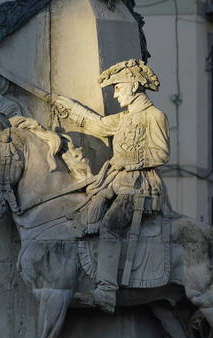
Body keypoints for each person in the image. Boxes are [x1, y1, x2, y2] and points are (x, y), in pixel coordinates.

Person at [54, 59, 170, 313]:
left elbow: (161, 154)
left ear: (133, 85)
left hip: (138, 188)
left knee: (110, 227)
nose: (115, 94)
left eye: (118, 88)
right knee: (83, 215)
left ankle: (106, 291)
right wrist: (69, 107)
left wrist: (128, 159)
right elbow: (97, 124)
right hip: (113, 182)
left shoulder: (154, 116)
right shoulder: (124, 118)